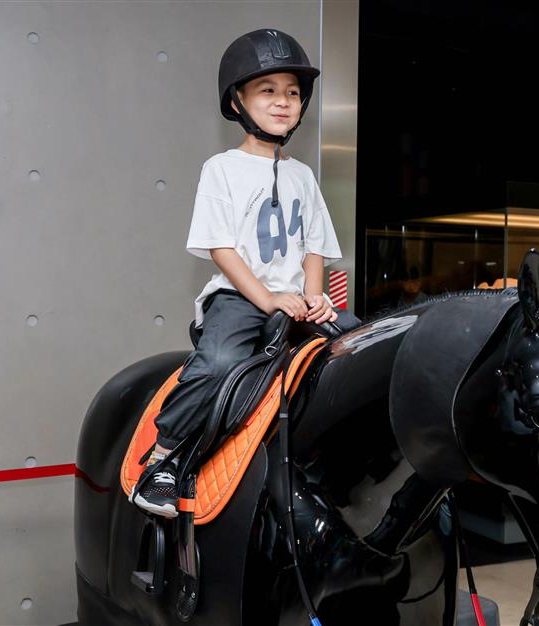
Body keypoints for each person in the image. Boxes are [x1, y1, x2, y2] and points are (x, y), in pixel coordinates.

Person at [132, 29, 355, 518]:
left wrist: (315, 298)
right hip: (239, 296)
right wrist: (269, 300)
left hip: (296, 297)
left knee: (361, 346)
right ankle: (163, 459)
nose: (283, 102)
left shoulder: (303, 176)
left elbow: (313, 246)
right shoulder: (222, 168)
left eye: (293, 93)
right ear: (237, 101)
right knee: (216, 363)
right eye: (268, 91)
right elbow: (221, 249)